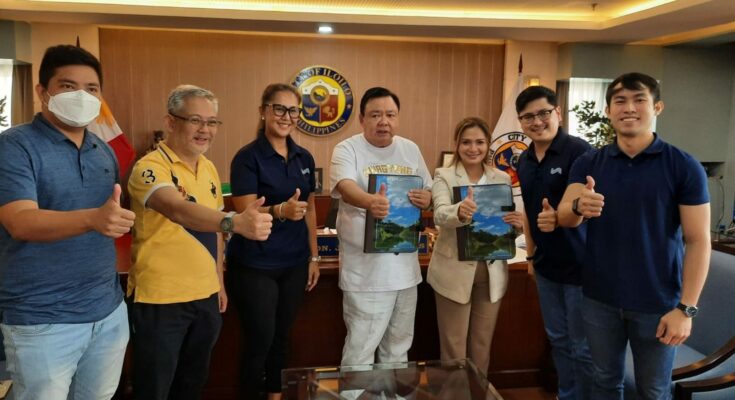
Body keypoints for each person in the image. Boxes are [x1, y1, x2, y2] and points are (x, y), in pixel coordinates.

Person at [557, 72, 711, 400]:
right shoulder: (590, 162)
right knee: (604, 382)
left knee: (653, 391)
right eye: (620, 101)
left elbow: (698, 240)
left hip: (658, 303)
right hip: (599, 300)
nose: (629, 108)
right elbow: (564, 217)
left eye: (639, 99)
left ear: (657, 107)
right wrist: (577, 204)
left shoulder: (683, 166)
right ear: (608, 111)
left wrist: (687, 309)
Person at [0, 44, 133, 399]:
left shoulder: (101, 149)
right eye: (67, 86)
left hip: (107, 313)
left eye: (91, 89)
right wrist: (93, 218)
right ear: (43, 92)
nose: (81, 96)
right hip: (42, 320)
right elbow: (20, 222)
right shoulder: (15, 146)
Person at [127, 84, 272, 400]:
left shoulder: (207, 168)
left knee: (192, 385)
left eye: (212, 122)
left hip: (204, 296)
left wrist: (219, 282)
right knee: (154, 388)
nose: (205, 130)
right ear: (170, 122)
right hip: (160, 299)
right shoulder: (149, 167)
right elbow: (177, 210)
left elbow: (215, 231)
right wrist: (235, 222)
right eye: (196, 120)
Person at [226, 83, 320, 400]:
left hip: (293, 263)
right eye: (279, 108)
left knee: (282, 336)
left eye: (292, 110)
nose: (286, 116)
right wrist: (281, 210)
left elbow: (309, 210)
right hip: (255, 263)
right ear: (264, 111)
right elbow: (244, 210)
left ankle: (275, 395)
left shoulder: (303, 156)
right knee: (260, 338)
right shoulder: (247, 157)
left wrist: (314, 257)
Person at [330, 86, 433, 367]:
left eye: (390, 114)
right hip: (366, 274)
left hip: (406, 272)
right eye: (375, 115)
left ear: (398, 118)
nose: (383, 121)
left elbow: (428, 189)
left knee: (397, 351)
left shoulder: (410, 148)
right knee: (361, 350)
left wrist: (428, 197)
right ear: (362, 119)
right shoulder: (347, 148)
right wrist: (369, 202)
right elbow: (344, 185)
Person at [515, 85, 594, 399]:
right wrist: (531, 258)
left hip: (581, 267)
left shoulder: (580, 151)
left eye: (543, 113)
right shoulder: (524, 159)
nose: (537, 121)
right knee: (558, 340)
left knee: (582, 346)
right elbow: (531, 213)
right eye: (528, 117)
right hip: (547, 267)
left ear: (558, 113)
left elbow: (582, 208)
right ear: (521, 122)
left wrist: (561, 216)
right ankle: (566, 394)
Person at [427, 117, 522, 376]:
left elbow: (503, 223)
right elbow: (440, 215)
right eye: (466, 142)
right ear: (457, 145)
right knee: (453, 349)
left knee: (481, 347)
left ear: (488, 145)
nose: (473, 148)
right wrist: (460, 211)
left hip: (491, 273)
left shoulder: (502, 177)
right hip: (453, 273)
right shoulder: (443, 175)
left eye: (479, 142)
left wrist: (515, 225)